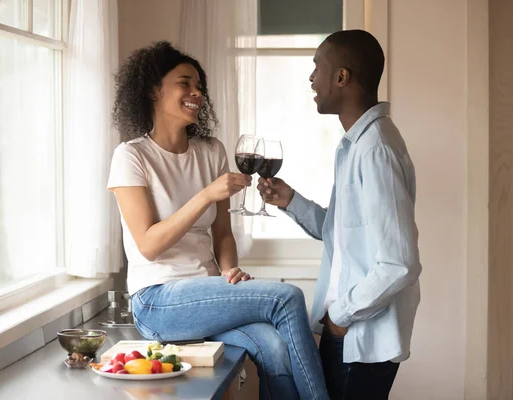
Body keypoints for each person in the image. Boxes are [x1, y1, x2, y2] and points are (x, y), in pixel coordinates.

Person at [107, 41, 329, 400]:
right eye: (185, 83)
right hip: (158, 301)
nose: (197, 93)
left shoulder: (211, 151)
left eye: (200, 86)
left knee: (273, 347)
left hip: (208, 293)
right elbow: (148, 245)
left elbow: (223, 234)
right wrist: (206, 195)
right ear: (153, 90)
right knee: (286, 296)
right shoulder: (131, 156)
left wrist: (229, 272)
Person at [258, 30, 422, 400]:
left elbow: (399, 262)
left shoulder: (375, 149)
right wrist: (290, 201)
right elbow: (345, 234)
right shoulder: (357, 145)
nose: (311, 79)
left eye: (317, 68)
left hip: (361, 337)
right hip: (350, 333)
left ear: (342, 77)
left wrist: (339, 317)